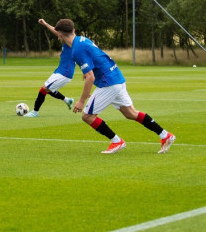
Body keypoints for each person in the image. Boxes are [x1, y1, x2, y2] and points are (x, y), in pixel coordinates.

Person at [54, 18, 176, 154]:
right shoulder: (81, 40)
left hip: (108, 83)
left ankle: (116, 141)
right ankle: (165, 135)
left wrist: (81, 101)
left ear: (60, 34)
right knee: (131, 113)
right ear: (73, 30)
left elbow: (90, 77)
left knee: (87, 116)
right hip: (116, 76)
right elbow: (96, 58)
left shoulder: (76, 50)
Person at [23, 18, 75, 117]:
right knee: (49, 89)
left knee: (44, 89)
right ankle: (67, 100)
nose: (58, 36)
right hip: (60, 70)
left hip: (65, 72)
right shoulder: (66, 39)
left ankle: (35, 112)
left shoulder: (72, 42)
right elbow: (57, 33)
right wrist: (46, 24)